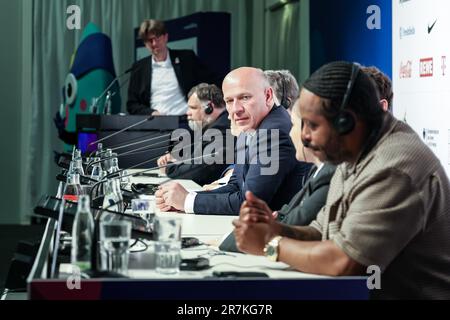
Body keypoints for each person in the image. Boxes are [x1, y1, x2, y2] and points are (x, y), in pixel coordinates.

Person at [233, 61, 450, 299]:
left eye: (312, 125)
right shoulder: (353, 151)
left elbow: (347, 262)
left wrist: (270, 244)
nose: (303, 136)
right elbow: (321, 231)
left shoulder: (394, 166)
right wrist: (275, 228)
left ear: (347, 122)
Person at [155, 67, 312, 215]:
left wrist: (188, 201)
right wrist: (185, 199)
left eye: (245, 97)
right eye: (229, 101)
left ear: (268, 96)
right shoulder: (249, 125)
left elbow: (250, 202)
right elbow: (236, 185)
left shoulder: (273, 132)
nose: (236, 109)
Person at [127, 19, 221, 115]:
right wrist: (151, 113)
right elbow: (132, 104)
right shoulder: (139, 68)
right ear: (145, 44)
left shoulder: (186, 58)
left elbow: (212, 80)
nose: (154, 43)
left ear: (166, 37)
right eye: (149, 40)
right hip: (155, 123)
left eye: (157, 37)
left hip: (186, 119)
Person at [156, 83, 232, 185]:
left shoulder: (221, 128)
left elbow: (200, 170)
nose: (188, 112)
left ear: (209, 107)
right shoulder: (216, 126)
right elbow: (197, 160)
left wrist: (169, 168)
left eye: (193, 107)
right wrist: (177, 161)